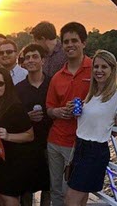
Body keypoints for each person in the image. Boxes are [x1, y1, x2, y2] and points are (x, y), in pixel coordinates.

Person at [64, 50, 117, 206]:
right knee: (80, 198)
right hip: (80, 147)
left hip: (94, 151)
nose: (99, 70)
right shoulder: (92, 94)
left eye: (104, 67)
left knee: (71, 199)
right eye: (96, 66)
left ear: (112, 69)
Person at [46, 22, 92, 206]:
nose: (70, 45)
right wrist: (57, 111)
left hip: (80, 142)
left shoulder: (95, 70)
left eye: (75, 40)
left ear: (84, 43)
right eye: (66, 41)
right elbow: (48, 108)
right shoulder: (58, 76)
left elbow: (111, 98)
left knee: (74, 194)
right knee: (56, 191)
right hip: (55, 141)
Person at [0, 67, 36, 206]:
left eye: (0, 83)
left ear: (7, 85)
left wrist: (8, 136)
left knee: (7, 197)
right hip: (1, 159)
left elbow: (30, 135)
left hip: (17, 159)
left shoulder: (15, 107)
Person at [15, 44, 52, 206]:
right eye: (27, 57)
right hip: (27, 145)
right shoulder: (18, 89)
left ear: (43, 60)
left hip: (50, 143)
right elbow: (13, 118)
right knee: (26, 188)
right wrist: (26, 117)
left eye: (34, 56)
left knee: (49, 186)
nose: (30, 60)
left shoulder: (53, 84)